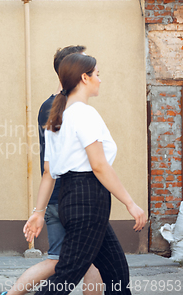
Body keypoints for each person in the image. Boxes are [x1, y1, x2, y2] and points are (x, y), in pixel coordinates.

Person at [22, 53, 146, 295]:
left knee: (117, 273)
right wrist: (131, 204)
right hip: (88, 200)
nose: (100, 79)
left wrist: (39, 213)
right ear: (84, 78)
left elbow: (49, 172)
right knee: (66, 277)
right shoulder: (84, 113)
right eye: (97, 74)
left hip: (72, 199)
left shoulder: (57, 117)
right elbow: (99, 165)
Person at [3, 46, 102, 295]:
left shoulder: (51, 105)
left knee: (68, 261)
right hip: (70, 198)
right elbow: (69, 163)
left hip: (57, 199)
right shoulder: (69, 108)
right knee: (73, 262)